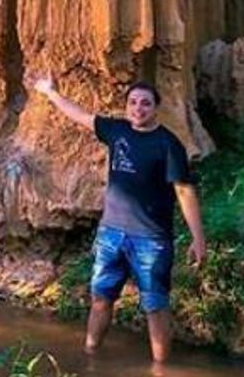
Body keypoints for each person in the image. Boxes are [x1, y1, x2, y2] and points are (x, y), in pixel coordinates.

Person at [32, 74, 206, 364]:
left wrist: (198, 239)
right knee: (101, 298)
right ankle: (90, 358)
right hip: (111, 235)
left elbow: (184, 192)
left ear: (156, 109)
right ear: (126, 106)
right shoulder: (116, 131)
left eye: (146, 104)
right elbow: (80, 116)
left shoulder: (168, 144)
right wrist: (51, 92)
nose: (139, 108)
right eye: (133, 103)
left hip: (152, 240)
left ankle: (161, 369)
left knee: (155, 306)